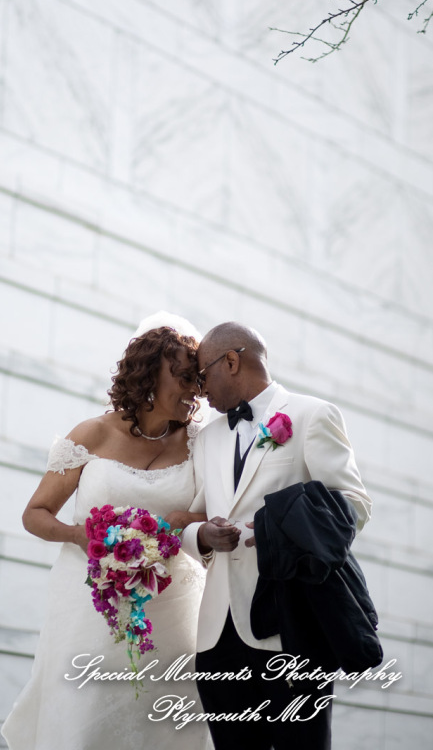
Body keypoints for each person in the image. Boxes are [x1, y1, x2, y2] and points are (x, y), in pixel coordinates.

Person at [1, 312, 213, 750]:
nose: (195, 391)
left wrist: (182, 522)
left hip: (172, 615)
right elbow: (35, 513)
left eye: (198, 380)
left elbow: (217, 514)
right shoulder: (92, 434)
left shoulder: (201, 443)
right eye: (184, 378)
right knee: (85, 721)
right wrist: (80, 535)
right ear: (151, 372)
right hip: (89, 610)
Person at [181, 321, 372, 750]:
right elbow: (188, 518)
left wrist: (270, 531)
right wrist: (202, 536)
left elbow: (353, 504)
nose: (198, 390)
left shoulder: (312, 415)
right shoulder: (207, 437)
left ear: (231, 361)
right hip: (218, 635)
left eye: (202, 376)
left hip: (294, 625)